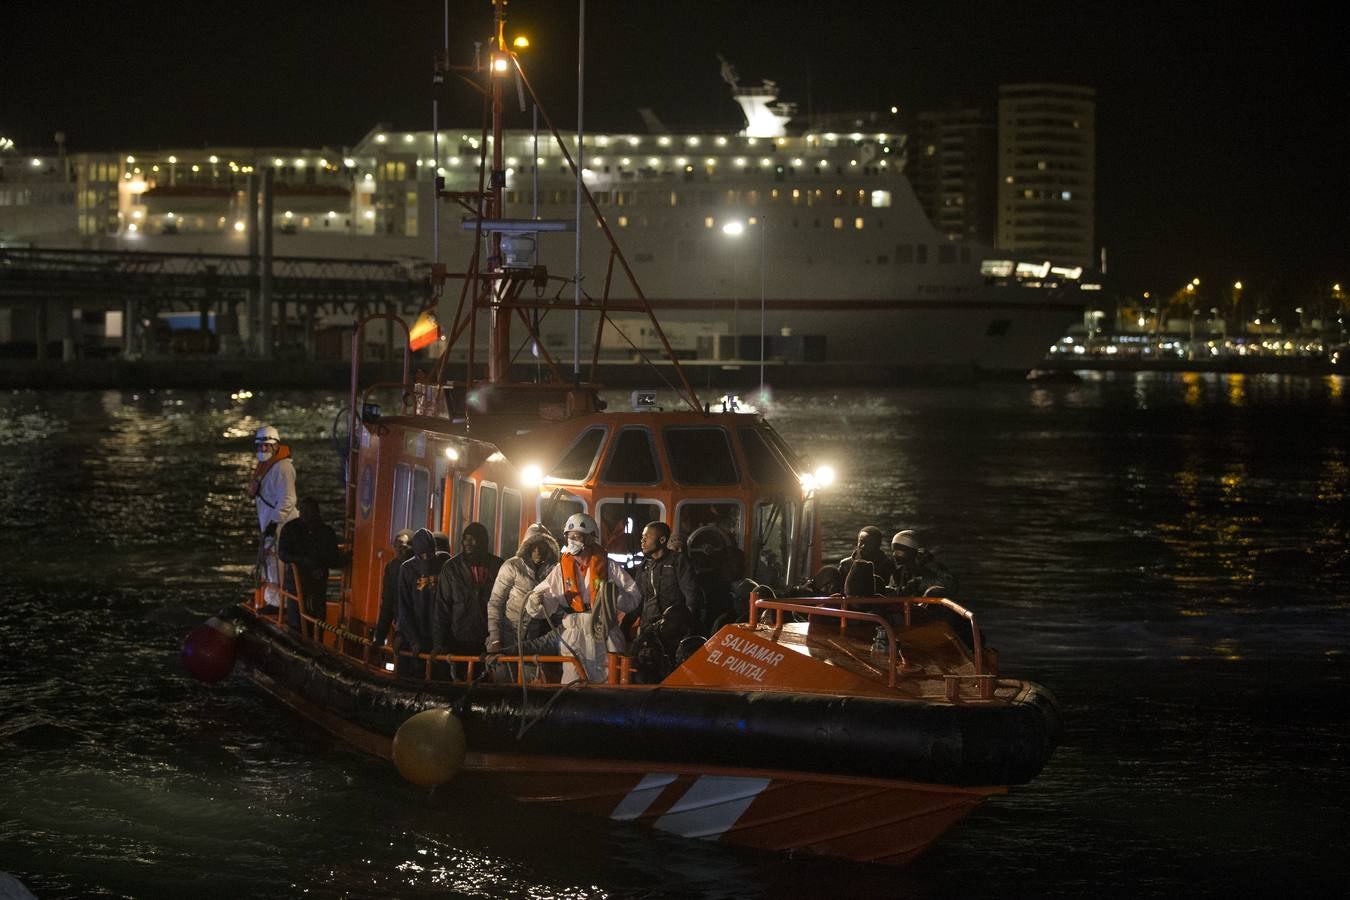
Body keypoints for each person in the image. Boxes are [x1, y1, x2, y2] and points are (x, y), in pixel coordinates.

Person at [522, 513, 641, 683]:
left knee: (608, 683)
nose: (572, 541)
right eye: (569, 537)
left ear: (591, 538)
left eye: (577, 536)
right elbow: (543, 604)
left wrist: (614, 595)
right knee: (572, 684)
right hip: (574, 635)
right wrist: (535, 602)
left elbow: (634, 597)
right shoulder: (560, 570)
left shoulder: (609, 567)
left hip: (605, 634)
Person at [631, 522, 701, 681]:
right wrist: (624, 625)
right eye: (642, 537)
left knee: (670, 674)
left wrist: (689, 626)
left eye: (647, 537)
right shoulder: (645, 566)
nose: (643, 541)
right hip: (648, 630)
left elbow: (692, 595)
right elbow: (637, 598)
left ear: (662, 540)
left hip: (673, 632)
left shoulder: (678, 561)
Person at [433, 522, 504, 671]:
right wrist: (440, 644)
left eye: (473, 539)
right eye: (465, 538)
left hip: (487, 641)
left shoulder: (497, 566)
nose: (468, 543)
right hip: (458, 639)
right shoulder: (451, 567)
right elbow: (442, 607)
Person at [486, 524, 560, 654]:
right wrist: (495, 640)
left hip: (535, 642)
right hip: (507, 638)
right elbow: (495, 603)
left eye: (541, 545)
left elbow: (559, 608)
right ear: (527, 546)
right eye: (533, 545)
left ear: (547, 546)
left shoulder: (554, 572)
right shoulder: (512, 566)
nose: (537, 550)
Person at [277, 497, 344, 638]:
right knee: (296, 626)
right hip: (297, 585)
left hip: (317, 586)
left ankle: (316, 646)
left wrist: (321, 563)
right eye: (304, 511)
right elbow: (283, 553)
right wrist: (303, 561)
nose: (306, 515)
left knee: (317, 625)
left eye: (309, 512)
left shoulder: (326, 532)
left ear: (316, 513)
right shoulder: (290, 529)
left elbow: (333, 558)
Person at [247, 424, 297, 609]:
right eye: (260, 446)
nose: (263, 449)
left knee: (276, 563)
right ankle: (273, 602)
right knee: (270, 562)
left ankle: (278, 606)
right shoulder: (265, 466)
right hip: (271, 524)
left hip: (280, 525)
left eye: (266, 446)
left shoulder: (283, 468)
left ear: (276, 446)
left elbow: (288, 499)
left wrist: (274, 523)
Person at [395, 528, 449, 676]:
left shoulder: (444, 562)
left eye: (429, 554)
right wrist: (413, 640)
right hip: (419, 632)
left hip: (439, 635)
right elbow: (404, 608)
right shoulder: (407, 569)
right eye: (422, 555)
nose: (426, 558)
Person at [373, 529, 414, 647]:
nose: (398, 551)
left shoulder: (419, 568)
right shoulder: (392, 567)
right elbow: (387, 602)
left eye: (403, 547)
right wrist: (380, 636)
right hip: (401, 626)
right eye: (396, 546)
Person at [887, 530, 959, 597]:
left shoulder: (932, 567)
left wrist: (918, 583)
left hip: (928, 607)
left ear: (909, 551)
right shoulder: (898, 572)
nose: (894, 554)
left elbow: (950, 586)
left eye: (898, 551)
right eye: (893, 550)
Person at [838, 525, 895, 595]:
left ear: (877, 545)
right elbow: (840, 590)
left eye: (869, 543)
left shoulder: (887, 565)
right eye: (861, 542)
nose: (863, 546)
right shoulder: (845, 565)